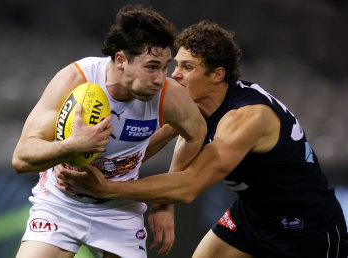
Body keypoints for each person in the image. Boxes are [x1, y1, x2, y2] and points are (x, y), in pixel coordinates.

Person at [55, 20, 348, 257]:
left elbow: (189, 186)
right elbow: (169, 137)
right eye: (176, 65)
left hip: (307, 228)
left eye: (187, 67)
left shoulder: (246, 118)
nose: (175, 75)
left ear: (217, 74)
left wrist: (107, 187)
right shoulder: (199, 102)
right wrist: (160, 203)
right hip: (252, 215)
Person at [12, 5, 207, 258]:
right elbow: (21, 158)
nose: (160, 78)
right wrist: (71, 146)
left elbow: (197, 134)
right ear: (120, 59)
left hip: (119, 211)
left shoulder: (169, 98)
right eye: (151, 67)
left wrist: (164, 202)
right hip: (61, 203)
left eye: (165, 67)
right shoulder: (77, 80)